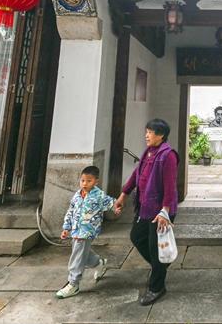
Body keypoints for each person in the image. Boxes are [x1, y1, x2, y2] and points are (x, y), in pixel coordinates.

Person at [114, 118, 178, 306]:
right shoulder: (148, 152)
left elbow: (170, 186)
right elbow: (137, 174)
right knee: (136, 236)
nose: (146, 135)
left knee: (155, 248)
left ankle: (157, 287)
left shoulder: (168, 155)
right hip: (145, 206)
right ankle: (160, 267)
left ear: (161, 135)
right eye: (146, 131)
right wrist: (124, 194)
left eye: (150, 132)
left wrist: (165, 211)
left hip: (160, 210)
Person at [55, 165, 116, 299]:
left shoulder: (98, 195)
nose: (85, 183)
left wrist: (117, 207)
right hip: (76, 230)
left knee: (77, 255)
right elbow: (71, 211)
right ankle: (99, 263)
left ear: (96, 181)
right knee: (82, 253)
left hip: (87, 231)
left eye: (89, 181)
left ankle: (73, 283)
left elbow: (111, 202)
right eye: (82, 180)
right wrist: (66, 228)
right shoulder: (77, 195)